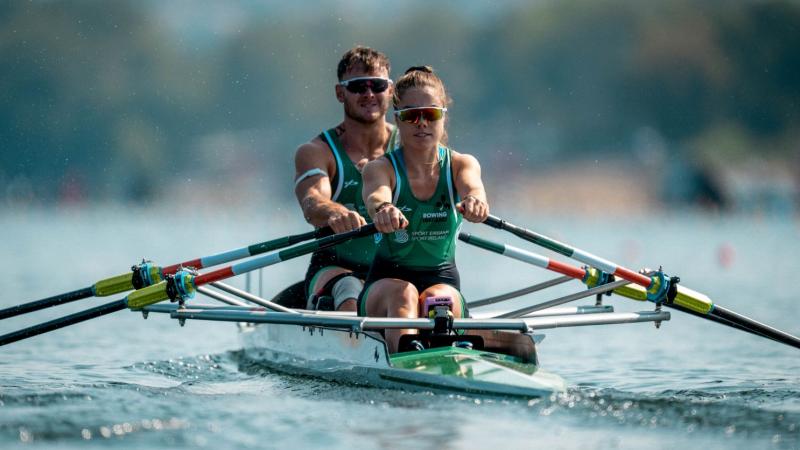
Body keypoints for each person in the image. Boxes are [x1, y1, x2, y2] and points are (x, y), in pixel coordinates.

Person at [360, 66, 489, 353]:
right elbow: (376, 195)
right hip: (385, 282)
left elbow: (473, 189)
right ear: (398, 119)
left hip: (441, 277)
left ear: (443, 116)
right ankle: (408, 359)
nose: (421, 123)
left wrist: (476, 202)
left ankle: (435, 354)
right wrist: (383, 208)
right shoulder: (380, 168)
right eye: (411, 115)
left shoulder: (461, 164)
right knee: (404, 294)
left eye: (430, 114)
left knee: (437, 298)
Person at [293, 46, 400, 312]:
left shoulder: (410, 148)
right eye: (357, 87)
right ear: (340, 93)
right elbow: (312, 200)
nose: (368, 94)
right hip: (335, 266)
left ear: (390, 90)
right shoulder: (317, 152)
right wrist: (335, 212)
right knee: (350, 289)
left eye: (376, 85)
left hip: (397, 267)